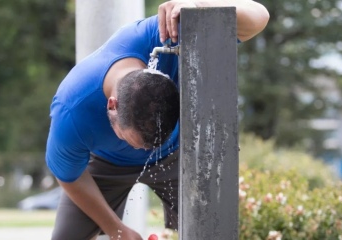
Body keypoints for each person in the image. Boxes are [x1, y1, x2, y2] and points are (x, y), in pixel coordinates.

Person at [46, 1, 269, 239]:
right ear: (112, 105)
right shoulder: (71, 111)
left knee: (214, 229)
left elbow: (260, 17)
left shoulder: (167, 34)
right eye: (136, 142)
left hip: (174, 155)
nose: (144, 152)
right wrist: (116, 229)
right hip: (108, 163)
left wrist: (197, 5)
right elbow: (69, 176)